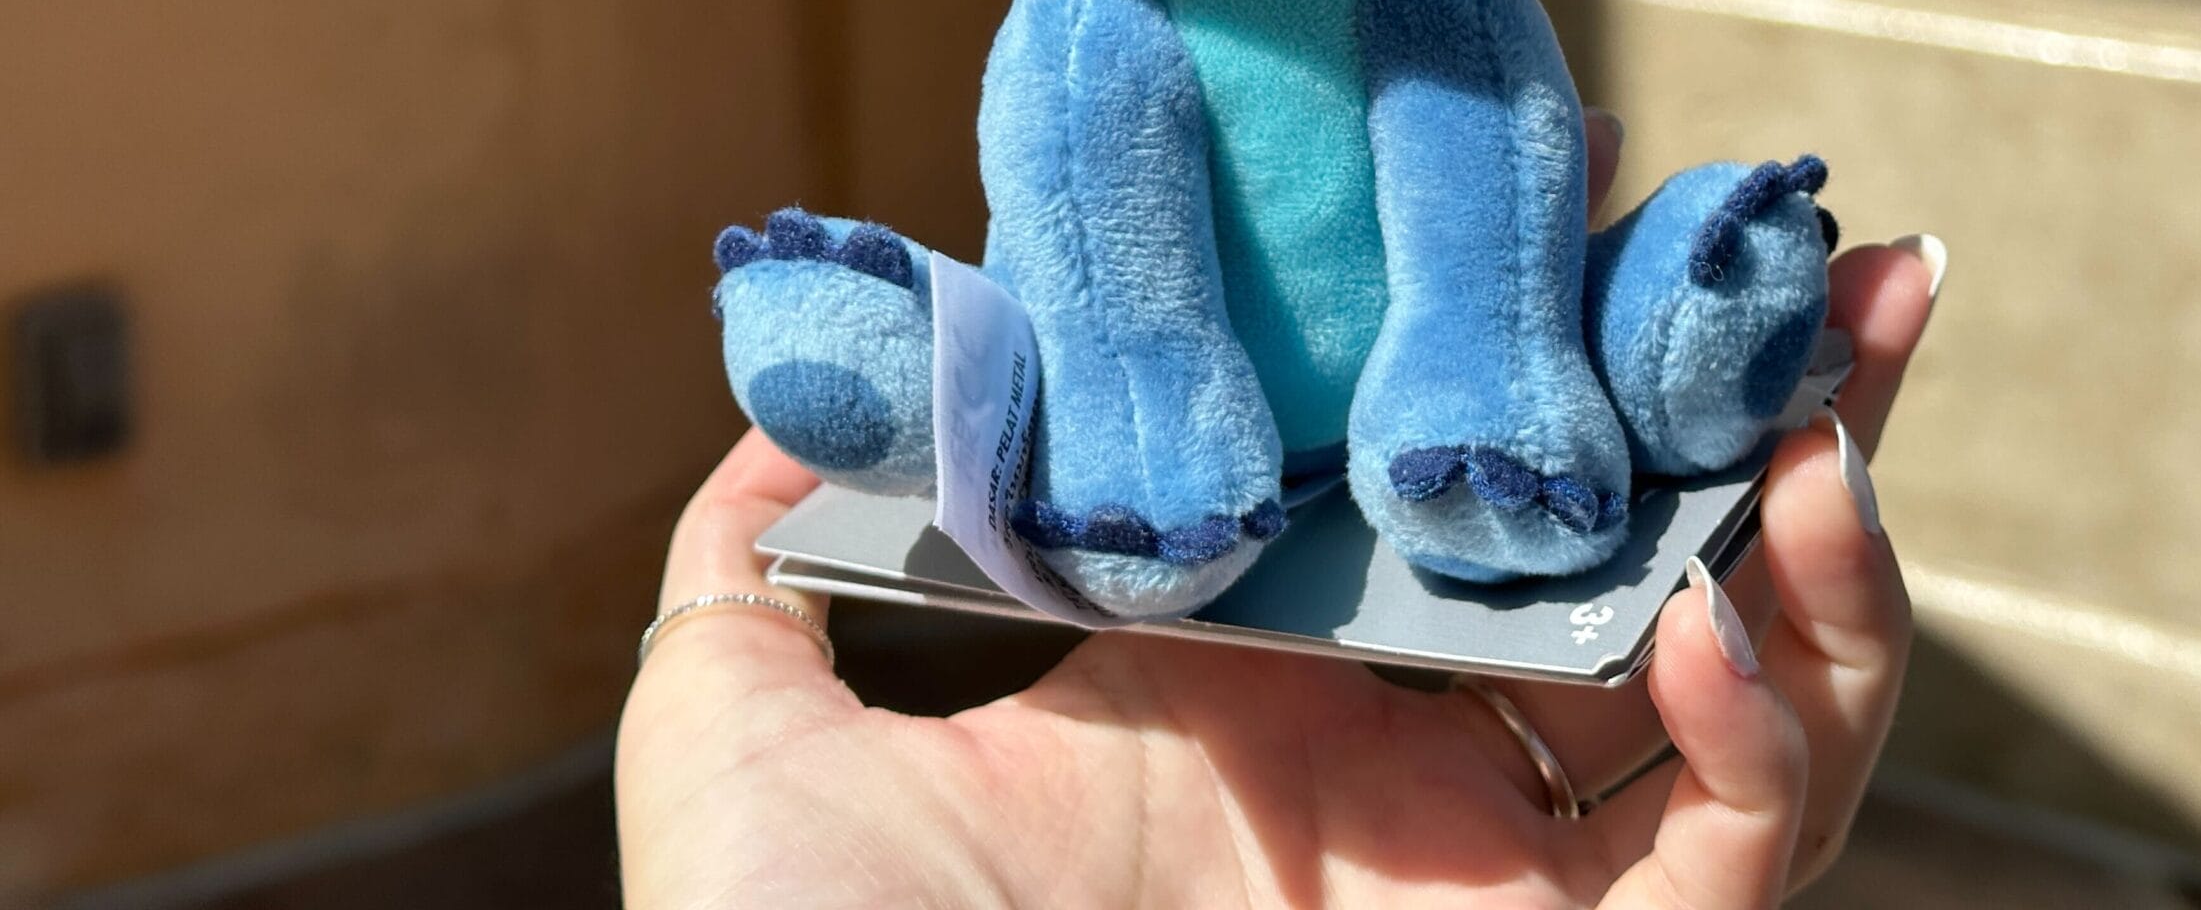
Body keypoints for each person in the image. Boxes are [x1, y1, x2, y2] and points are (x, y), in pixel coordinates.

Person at [617, 114, 1940, 908]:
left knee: (1512, 239)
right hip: (1163, 411)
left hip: (1433, 352)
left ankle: (1652, 333)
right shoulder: (1089, 7)